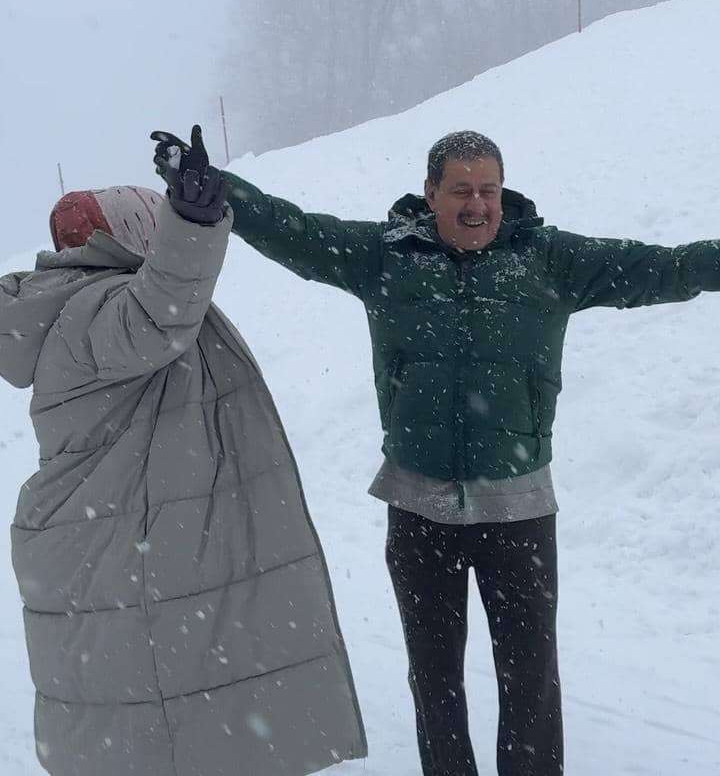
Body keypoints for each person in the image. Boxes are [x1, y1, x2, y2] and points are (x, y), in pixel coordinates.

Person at [153, 126, 720, 776]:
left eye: (489, 190)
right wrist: (224, 191)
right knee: (435, 679)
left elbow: (666, 267)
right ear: (430, 194)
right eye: (461, 190)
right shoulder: (385, 257)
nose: (477, 204)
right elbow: (296, 231)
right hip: (419, 511)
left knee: (530, 679)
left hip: (518, 511)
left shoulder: (549, 259)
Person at [0, 155, 366, 776]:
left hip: (128, 549)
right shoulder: (97, 309)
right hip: (130, 556)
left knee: (165, 715)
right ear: (134, 234)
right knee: (162, 720)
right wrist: (192, 223)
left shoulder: (80, 307)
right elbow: (159, 312)